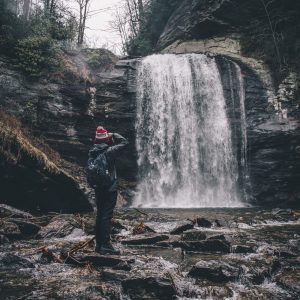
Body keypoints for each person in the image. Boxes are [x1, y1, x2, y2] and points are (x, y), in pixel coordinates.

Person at [88, 126, 128, 255]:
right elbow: (125, 142)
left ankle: (99, 244)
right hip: (110, 187)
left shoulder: (92, 152)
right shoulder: (109, 151)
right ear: (106, 139)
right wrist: (114, 134)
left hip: (98, 188)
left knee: (100, 215)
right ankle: (105, 245)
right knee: (107, 215)